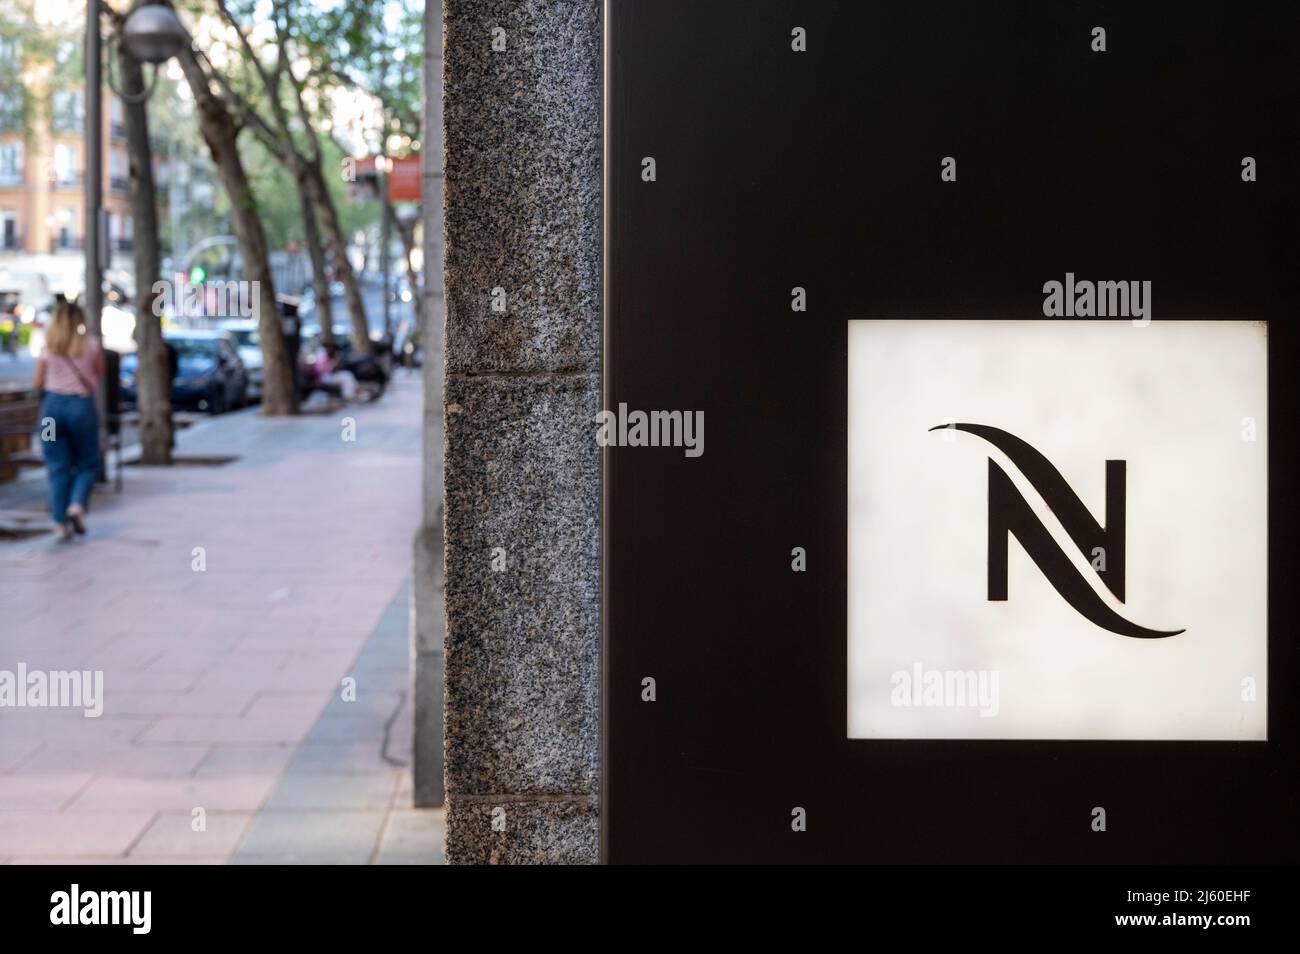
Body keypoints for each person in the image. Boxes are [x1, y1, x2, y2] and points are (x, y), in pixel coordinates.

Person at [33, 301, 103, 542]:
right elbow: (99, 373)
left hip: (51, 413)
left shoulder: (48, 347)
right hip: (80, 409)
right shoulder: (90, 345)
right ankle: (76, 506)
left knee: (56, 465)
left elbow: (37, 382)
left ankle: (58, 522)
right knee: (87, 463)